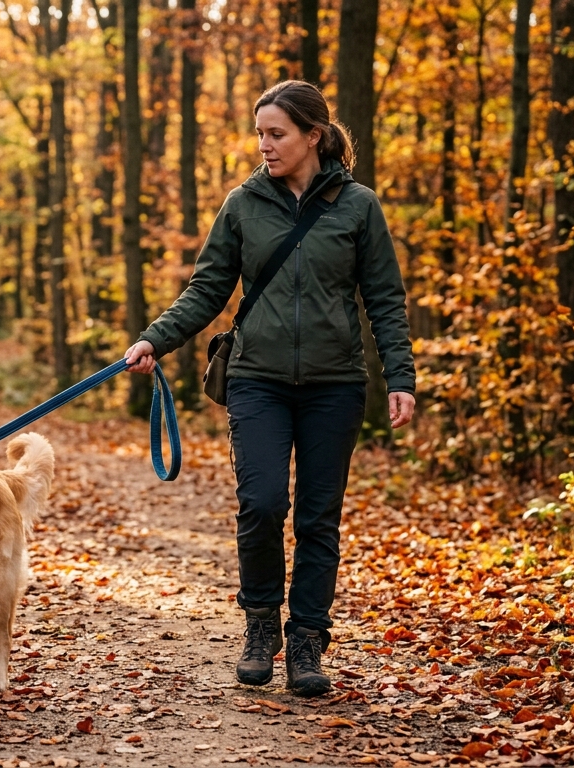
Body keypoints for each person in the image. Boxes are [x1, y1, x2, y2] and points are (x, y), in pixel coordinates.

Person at [123, 80, 416, 697]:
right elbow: (207, 289)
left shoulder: (358, 207)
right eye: (259, 133)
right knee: (261, 504)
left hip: (335, 384)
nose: (264, 145)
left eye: (276, 133)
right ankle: (262, 625)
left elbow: (385, 298)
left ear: (314, 135)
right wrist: (156, 339)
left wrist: (400, 378)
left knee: (318, 517)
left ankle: (307, 640)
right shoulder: (243, 204)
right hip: (256, 379)